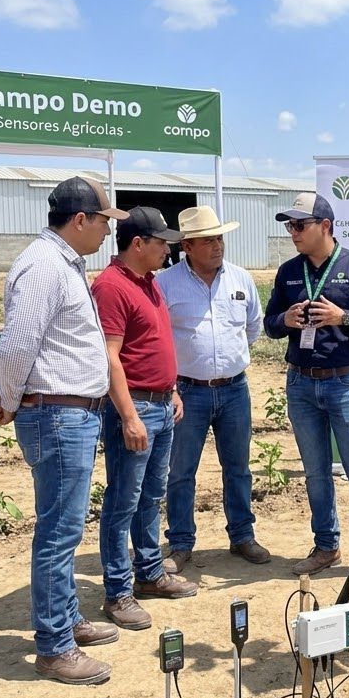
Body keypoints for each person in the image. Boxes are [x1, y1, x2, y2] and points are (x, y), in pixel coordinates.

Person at [0, 176, 128, 686]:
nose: (105, 235)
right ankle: (54, 646)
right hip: (57, 414)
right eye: (102, 223)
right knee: (58, 531)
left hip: (69, 413)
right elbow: (16, 346)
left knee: (65, 528)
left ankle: (66, 620)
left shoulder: (62, 263)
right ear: (80, 220)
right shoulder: (44, 265)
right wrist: (9, 399)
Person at [263, 192, 349, 589]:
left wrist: (343, 317)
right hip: (301, 383)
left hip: (345, 382)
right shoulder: (288, 272)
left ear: (325, 225)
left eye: (299, 225)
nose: (293, 233)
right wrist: (284, 319)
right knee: (315, 473)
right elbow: (269, 325)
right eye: (289, 226)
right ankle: (326, 546)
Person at [91, 206, 198, 631]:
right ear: (138, 243)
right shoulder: (111, 287)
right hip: (133, 409)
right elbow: (110, 357)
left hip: (159, 404)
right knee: (123, 502)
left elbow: (154, 344)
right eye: (161, 244)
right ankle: (118, 593)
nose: (167, 252)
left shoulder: (148, 283)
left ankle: (150, 573)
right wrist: (130, 416)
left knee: (151, 495)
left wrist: (170, 388)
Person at [156, 205, 267, 571]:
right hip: (187, 392)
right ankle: (181, 543)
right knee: (181, 470)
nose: (218, 245)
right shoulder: (165, 284)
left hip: (235, 389)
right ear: (187, 246)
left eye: (219, 238)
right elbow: (158, 339)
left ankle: (242, 536)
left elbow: (253, 327)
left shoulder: (240, 279)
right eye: (208, 240)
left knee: (237, 467)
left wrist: (228, 360)